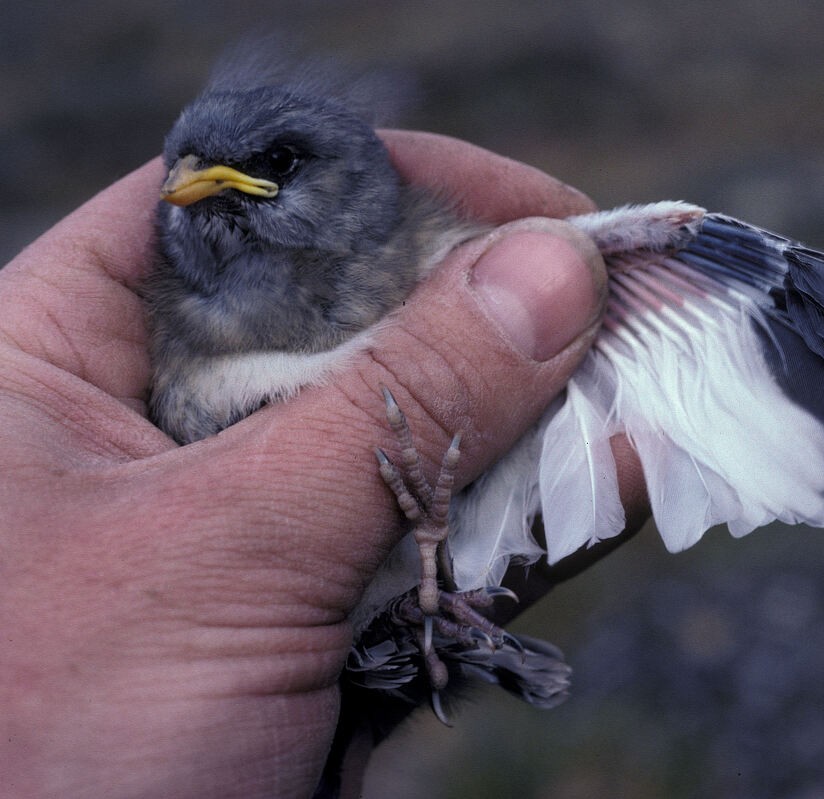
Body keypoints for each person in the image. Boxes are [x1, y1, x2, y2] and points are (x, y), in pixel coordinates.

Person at [0, 130, 648, 798]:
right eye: (186, 169)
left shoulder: (422, 244)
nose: (190, 182)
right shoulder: (167, 318)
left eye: (277, 164)